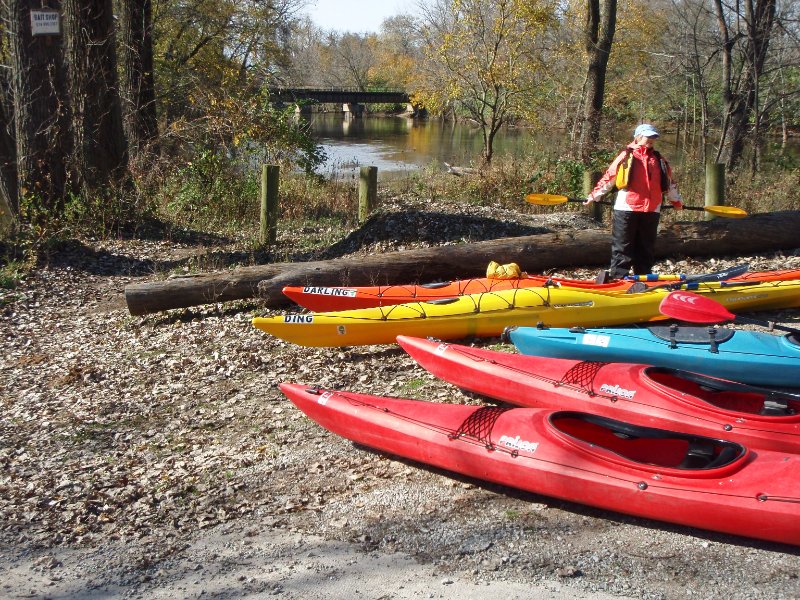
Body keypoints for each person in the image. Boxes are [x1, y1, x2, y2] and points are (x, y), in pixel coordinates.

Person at [585, 123, 683, 280]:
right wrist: (594, 195)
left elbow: (669, 183)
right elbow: (610, 177)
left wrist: (676, 201)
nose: (651, 139)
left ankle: (643, 279)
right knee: (622, 247)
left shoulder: (659, 159)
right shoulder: (626, 155)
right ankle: (618, 279)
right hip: (626, 209)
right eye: (647, 136)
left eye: (653, 137)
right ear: (638, 137)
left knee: (646, 248)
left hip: (651, 210)